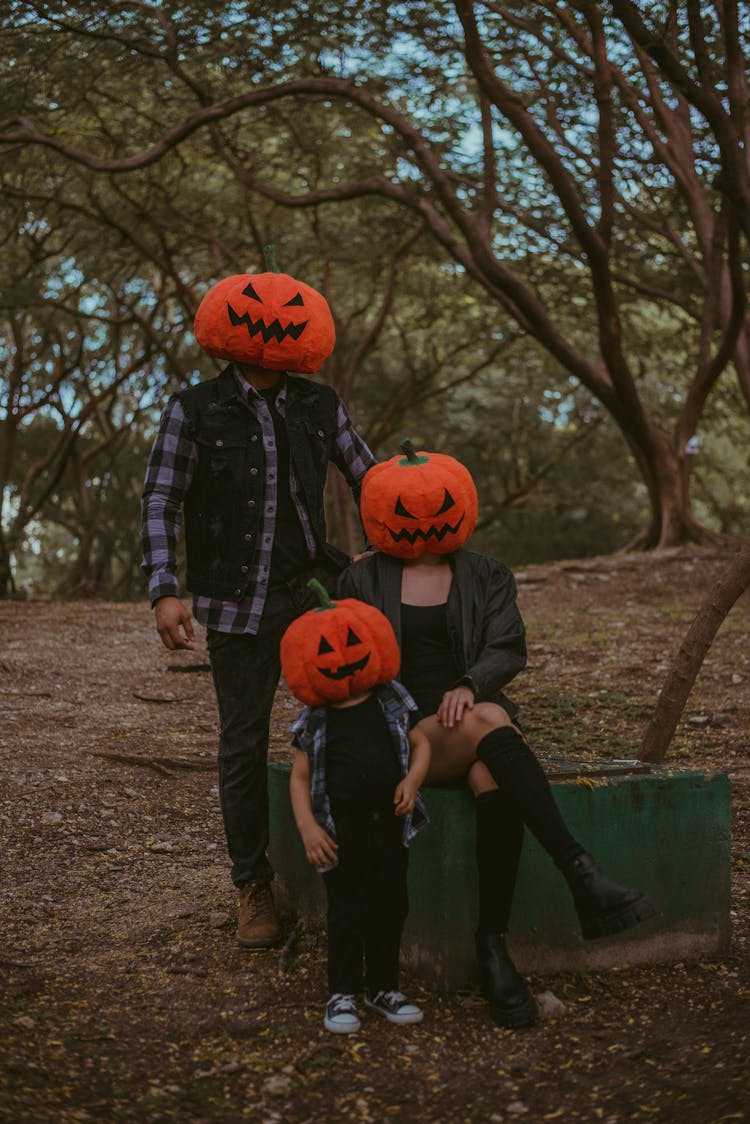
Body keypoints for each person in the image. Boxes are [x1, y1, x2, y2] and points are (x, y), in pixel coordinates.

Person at [338, 443, 656, 1029]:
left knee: (494, 775)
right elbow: (347, 666)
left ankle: (493, 946)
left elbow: (507, 648)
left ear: (462, 505)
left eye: (438, 508)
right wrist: (453, 701)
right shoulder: (360, 577)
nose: (426, 522)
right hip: (400, 736)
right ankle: (581, 874)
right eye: (406, 512)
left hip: (469, 730)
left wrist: (470, 683)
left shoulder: (487, 574)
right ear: (381, 513)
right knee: (492, 719)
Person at [141, 269, 376, 949]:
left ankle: (357, 864)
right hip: (233, 606)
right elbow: (162, 500)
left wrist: (383, 549)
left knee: (352, 729)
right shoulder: (193, 409)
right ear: (226, 325)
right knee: (242, 743)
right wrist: (164, 587)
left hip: (314, 595)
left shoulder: (320, 406)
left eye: (290, 310)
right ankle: (254, 884)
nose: (273, 318)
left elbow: (371, 477)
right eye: (255, 310)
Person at [282, 581, 431, 1034]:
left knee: (391, 904)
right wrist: (308, 828)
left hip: (390, 825)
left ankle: (382, 986)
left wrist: (412, 780)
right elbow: (300, 777)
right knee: (347, 910)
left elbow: (421, 744)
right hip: (338, 830)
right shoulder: (317, 717)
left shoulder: (390, 699)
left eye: (349, 641)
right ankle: (341, 991)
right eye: (328, 647)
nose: (341, 654)